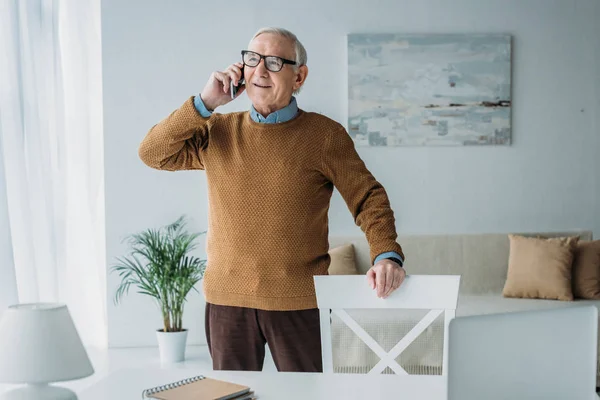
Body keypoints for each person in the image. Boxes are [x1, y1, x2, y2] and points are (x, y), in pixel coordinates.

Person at [138, 27, 406, 373]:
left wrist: (386, 255)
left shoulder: (324, 135)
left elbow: (368, 197)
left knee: (307, 397)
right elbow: (152, 153)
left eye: (275, 62)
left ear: (300, 76)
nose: (260, 71)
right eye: (252, 59)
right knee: (231, 397)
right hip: (226, 300)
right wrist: (204, 104)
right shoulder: (217, 131)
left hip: (299, 302)